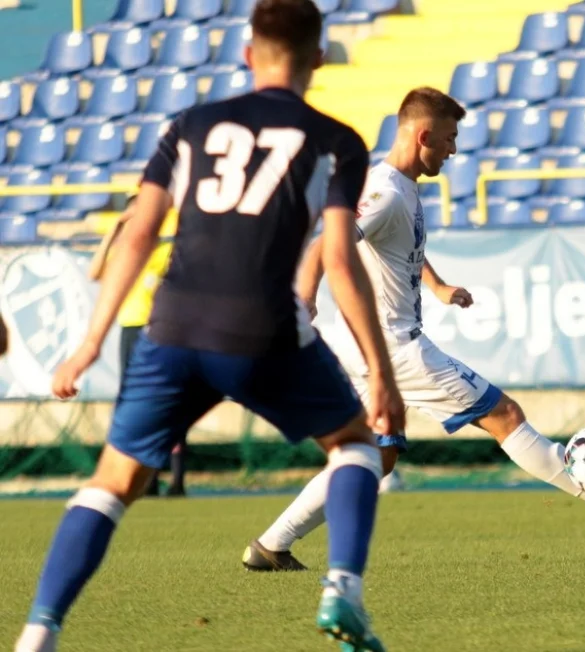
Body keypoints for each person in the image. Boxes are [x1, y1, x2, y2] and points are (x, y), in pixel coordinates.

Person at [15, 1, 399, 650]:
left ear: (247, 55)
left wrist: (87, 343)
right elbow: (338, 258)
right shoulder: (337, 141)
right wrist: (381, 374)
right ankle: (343, 591)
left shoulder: (191, 124)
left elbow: (139, 231)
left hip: (172, 329)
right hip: (264, 330)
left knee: (113, 482)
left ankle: (38, 632)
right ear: (320, 58)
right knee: (357, 444)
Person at [241, 86, 585, 572]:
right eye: (447, 139)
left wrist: (438, 286)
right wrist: (304, 298)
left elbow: (397, 250)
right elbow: (326, 244)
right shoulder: (384, 191)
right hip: (395, 348)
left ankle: (271, 544)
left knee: (373, 456)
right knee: (504, 414)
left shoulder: (397, 187)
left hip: (366, 347)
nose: (453, 150)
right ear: (423, 135)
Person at [88, 193, 187, 497]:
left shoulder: (159, 249)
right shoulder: (123, 254)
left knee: (171, 402)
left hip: (159, 329)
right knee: (137, 401)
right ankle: (149, 480)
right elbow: (95, 272)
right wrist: (115, 231)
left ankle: (177, 479)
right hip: (131, 329)